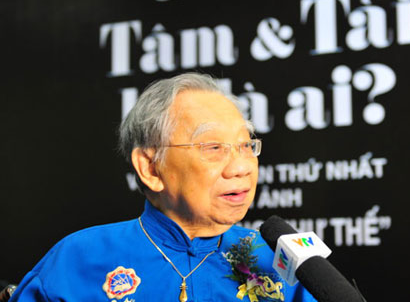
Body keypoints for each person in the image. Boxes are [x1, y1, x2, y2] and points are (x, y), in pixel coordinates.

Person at [10, 73, 317, 301]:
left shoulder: (284, 264)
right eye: (213, 147)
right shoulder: (78, 259)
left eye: (246, 145)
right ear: (150, 167)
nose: (241, 167)